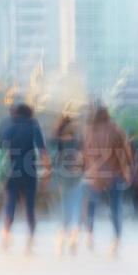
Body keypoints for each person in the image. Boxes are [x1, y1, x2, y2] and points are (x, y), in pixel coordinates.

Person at [0, 102, 48, 253]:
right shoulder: (33, 124)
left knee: (10, 202)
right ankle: (31, 238)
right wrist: (48, 170)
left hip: (10, 171)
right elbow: (42, 149)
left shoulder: (6, 123)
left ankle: (7, 233)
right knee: (30, 206)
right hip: (29, 171)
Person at [82, 104, 134, 256]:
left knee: (91, 205)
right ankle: (116, 239)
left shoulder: (89, 131)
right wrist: (128, 167)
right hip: (115, 174)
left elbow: (84, 153)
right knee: (115, 207)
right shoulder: (116, 129)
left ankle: (90, 233)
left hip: (95, 175)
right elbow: (127, 151)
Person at [51, 110, 84, 256]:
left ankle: (63, 233)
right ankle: (74, 232)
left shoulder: (56, 141)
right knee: (76, 203)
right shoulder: (78, 141)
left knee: (65, 206)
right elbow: (82, 158)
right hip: (76, 176)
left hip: (61, 177)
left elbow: (54, 161)